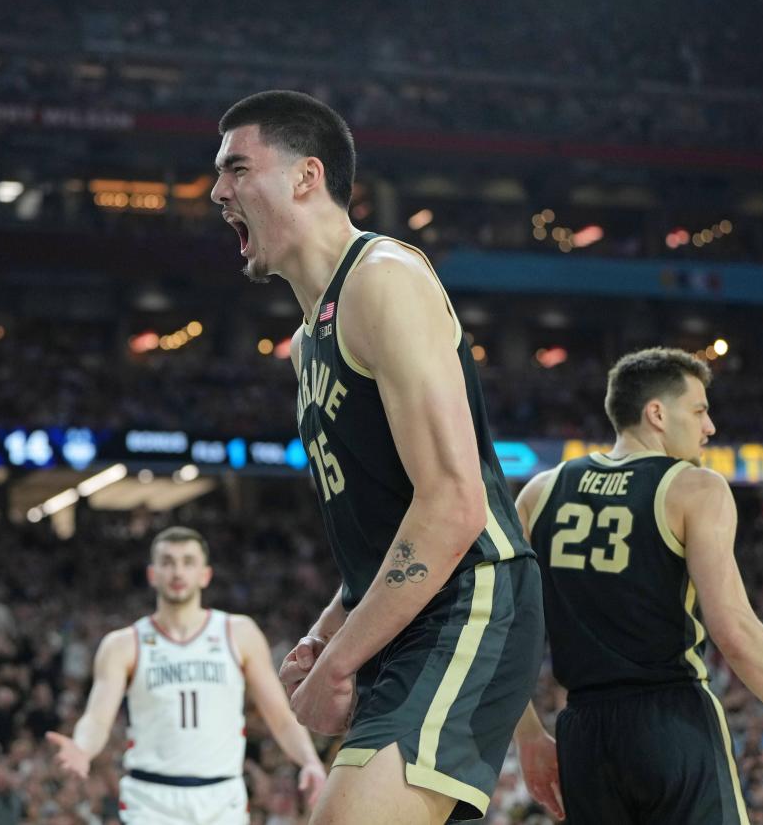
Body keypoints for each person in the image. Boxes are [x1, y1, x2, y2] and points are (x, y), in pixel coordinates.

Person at [212, 89, 544, 823]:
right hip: (416, 612)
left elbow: (455, 505)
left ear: (306, 177)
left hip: (469, 598)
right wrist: (327, 632)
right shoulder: (306, 344)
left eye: (236, 168)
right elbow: (387, 530)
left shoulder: (382, 277)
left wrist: (338, 663)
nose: (217, 191)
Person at [512, 347, 763, 823]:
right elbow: (734, 630)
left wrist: (529, 736)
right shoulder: (695, 488)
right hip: (671, 721)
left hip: (584, 732)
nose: (710, 427)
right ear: (657, 413)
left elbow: (504, 630)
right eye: (700, 410)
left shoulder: (538, 492)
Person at [45, 526, 326, 824]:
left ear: (205, 574)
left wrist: (310, 760)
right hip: (151, 798)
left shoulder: (239, 633)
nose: (177, 571)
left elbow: (280, 717)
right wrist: (82, 747)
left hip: (222, 796)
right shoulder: (123, 644)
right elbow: (98, 719)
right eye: (167, 562)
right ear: (152, 574)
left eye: (187, 562)